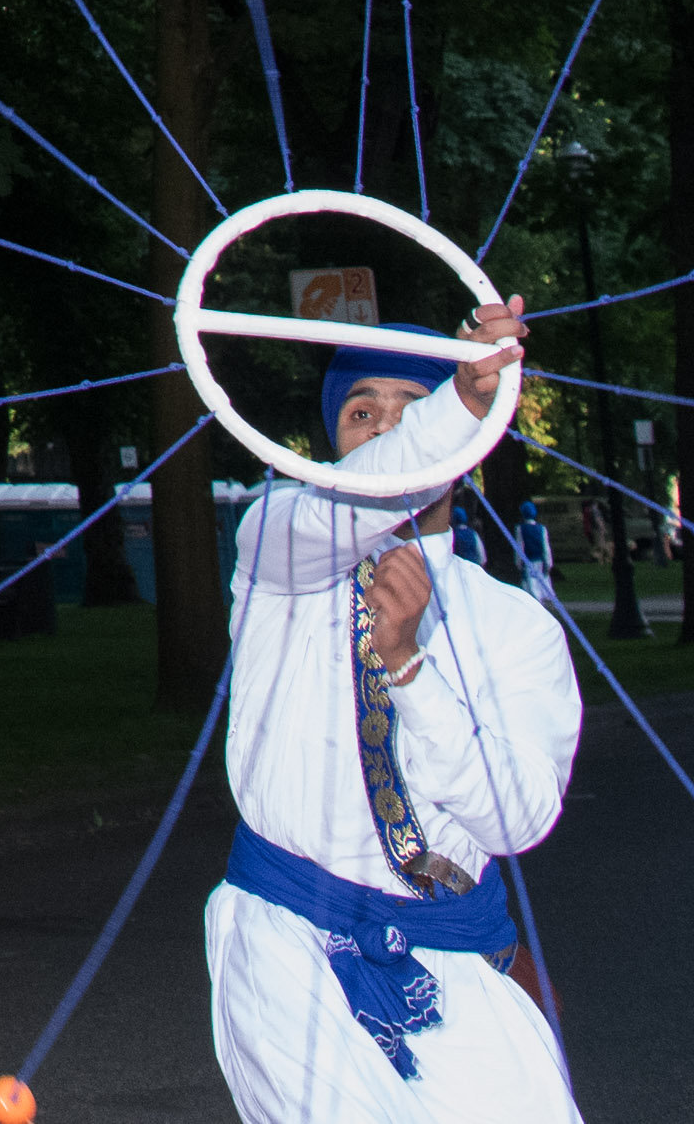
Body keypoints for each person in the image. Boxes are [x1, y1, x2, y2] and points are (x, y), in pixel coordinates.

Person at [207, 298, 582, 1124]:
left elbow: (516, 821)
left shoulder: (517, 629)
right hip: (286, 947)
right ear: (330, 438)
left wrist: (410, 669)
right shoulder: (278, 548)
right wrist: (457, 402)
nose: (384, 431)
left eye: (413, 409)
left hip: (452, 953)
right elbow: (348, 505)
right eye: (360, 411)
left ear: (471, 444)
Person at [514, 501, 553, 602]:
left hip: (528, 562)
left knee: (531, 588)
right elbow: (546, 547)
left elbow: (520, 547)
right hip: (540, 562)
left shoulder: (520, 528)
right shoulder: (542, 528)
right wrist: (548, 563)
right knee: (540, 586)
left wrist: (519, 563)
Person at [448, 502, 485, 567]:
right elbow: (481, 555)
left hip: (457, 568)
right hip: (472, 567)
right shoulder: (472, 533)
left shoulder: (452, 535)